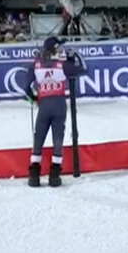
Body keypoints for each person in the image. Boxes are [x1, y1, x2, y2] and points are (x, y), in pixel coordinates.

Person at [24, 37, 87, 187]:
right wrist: (76, 56)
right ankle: (54, 176)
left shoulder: (36, 65)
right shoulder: (62, 65)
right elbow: (84, 69)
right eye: (59, 47)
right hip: (59, 104)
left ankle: (34, 176)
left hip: (44, 104)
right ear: (55, 49)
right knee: (57, 139)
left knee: (38, 139)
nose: (61, 50)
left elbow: (25, 88)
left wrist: (34, 99)